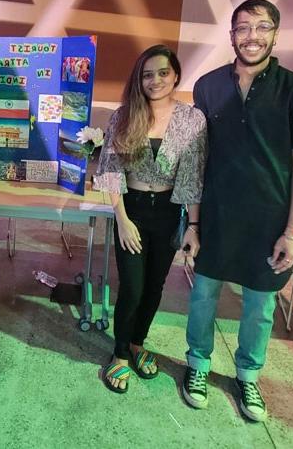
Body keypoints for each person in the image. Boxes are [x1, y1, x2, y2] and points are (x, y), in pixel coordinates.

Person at [181, 0, 293, 422]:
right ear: (231, 35)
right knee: (203, 295)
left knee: (260, 306)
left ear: (275, 34)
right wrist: (192, 221)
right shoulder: (208, 87)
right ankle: (198, 365)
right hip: (216, 214)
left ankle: (248, 375)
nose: (252, 37)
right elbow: (194, 158)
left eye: (262, 27)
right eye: (243, 28)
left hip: (269, 220)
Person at [94, 45, 206, 394]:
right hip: (133, 208)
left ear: (175, 75)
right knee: (133, 286)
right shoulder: (124, 115)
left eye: (162, 73)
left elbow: (193, 176)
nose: (155, 80)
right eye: (147, 74)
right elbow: (110, 170)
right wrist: (122, 219)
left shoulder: (192, 119)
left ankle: (138, 342)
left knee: (155, 286)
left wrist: (193, 226)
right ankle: (121, 354)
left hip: (170, 212)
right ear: (138, 79)